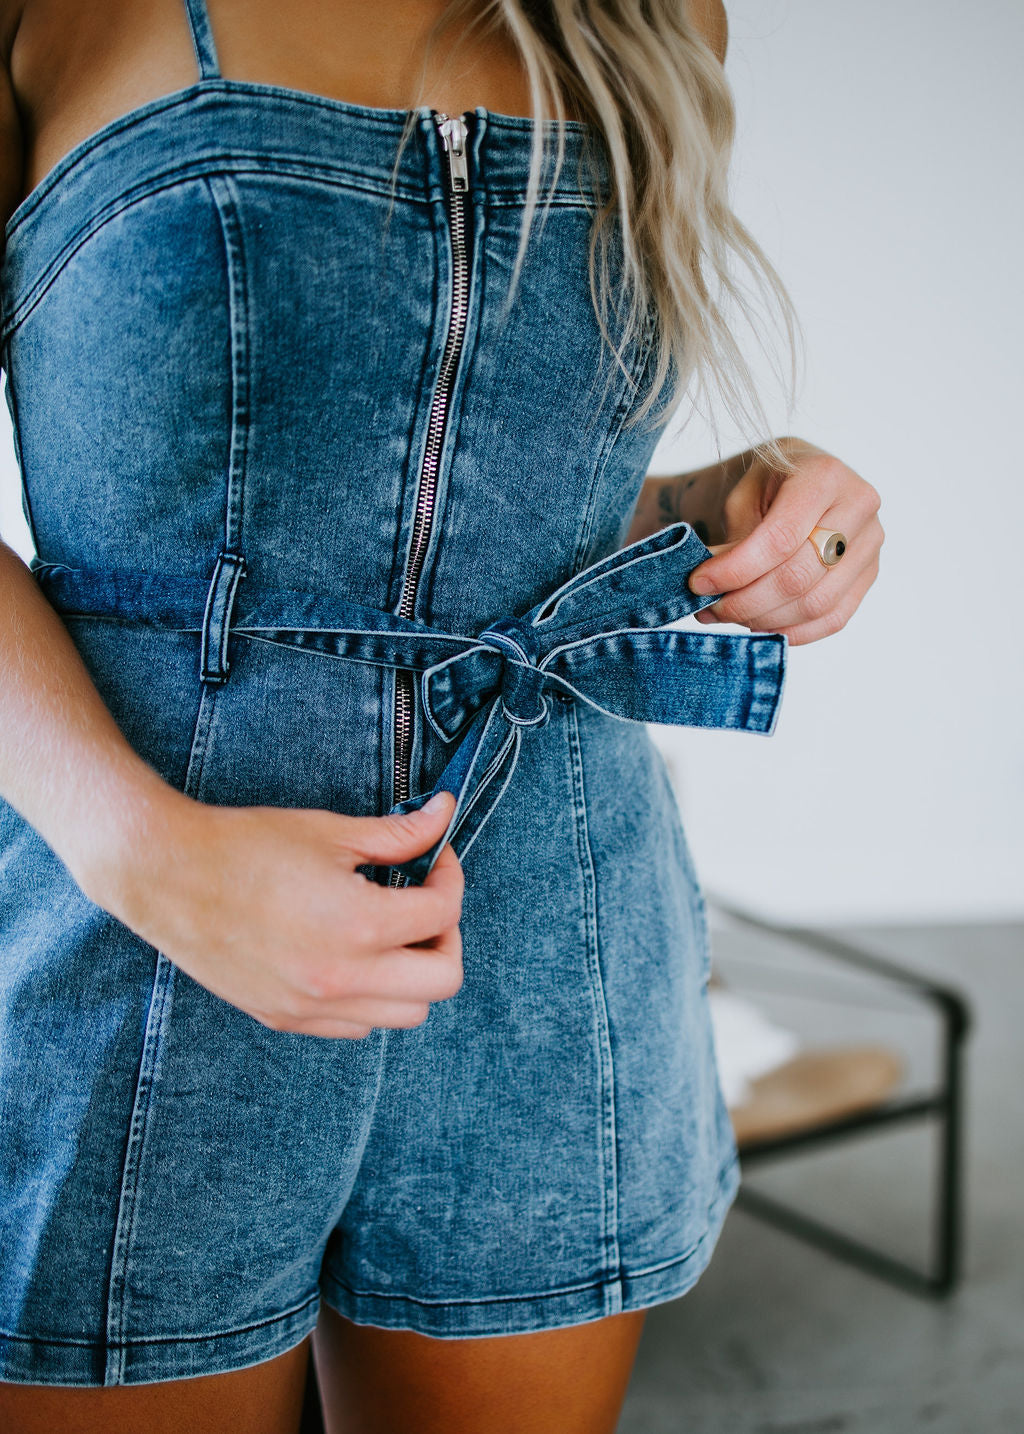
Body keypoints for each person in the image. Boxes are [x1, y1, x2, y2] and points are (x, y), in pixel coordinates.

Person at [0, 2, 883, 1430]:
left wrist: (724, 503)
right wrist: (144, 853)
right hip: (136, 942)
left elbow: (499, 510)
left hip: (553, 946)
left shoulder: (659, 21)